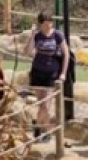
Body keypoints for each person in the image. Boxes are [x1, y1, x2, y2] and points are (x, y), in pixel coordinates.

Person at [25, 11, 70, 139]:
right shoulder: (38, 35)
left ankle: (39, 127)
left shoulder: (57, 35)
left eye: (50, 22)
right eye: (45, 24)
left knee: (46, 104)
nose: (48, 26)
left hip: (52, 72)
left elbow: (66, 54)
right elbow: (28, 52)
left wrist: (63, 73)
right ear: (40, 24)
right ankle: (43, 129)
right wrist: (32, 34)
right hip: (38, 71)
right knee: (41, 104)